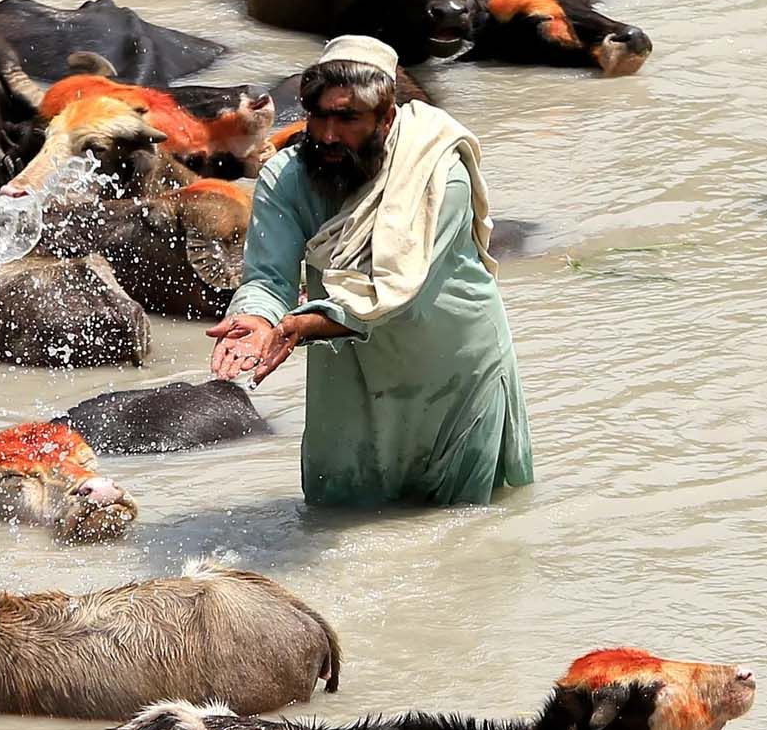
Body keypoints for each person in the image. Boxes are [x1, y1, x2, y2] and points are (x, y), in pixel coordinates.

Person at [208, 35, 533, 508]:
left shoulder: (439, 175)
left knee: (466, 527)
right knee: (338, 509)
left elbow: (395, 288)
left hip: (452, 366)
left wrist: (295, 326)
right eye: (319, 115)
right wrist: (256, 320)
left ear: (387, 117)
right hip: (350, 371)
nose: (328, 134)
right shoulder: (286, 177)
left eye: (349, 118)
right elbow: (267, 277)